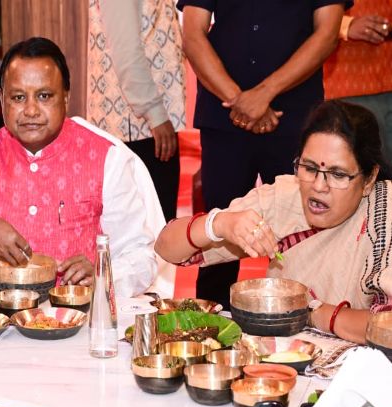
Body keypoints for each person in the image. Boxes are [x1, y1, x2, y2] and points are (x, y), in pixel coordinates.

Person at [0, 37, 162, 297]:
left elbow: (141, 258)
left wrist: (102, 275)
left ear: (65, 98)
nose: (30, 110)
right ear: (2, 100)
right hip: (2, 317)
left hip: (80, 317)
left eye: (44, 96)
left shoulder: (106, 159)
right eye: (18, 97)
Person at [155, 100, 389, 344]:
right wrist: (217, 224)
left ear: (369, 178)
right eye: (309, 168)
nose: (319, 186)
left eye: (338, 174)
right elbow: (166, 247)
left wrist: (311, 312)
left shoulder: (384, 214)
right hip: (286, 357)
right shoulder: (285, 198)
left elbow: (387, 327)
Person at [177, 0, 347, 308]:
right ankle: (211, 327)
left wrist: (263, 94)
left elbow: (327, 34)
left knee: (303, 233)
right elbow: (192, 34)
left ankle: (307, 321)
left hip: (295, 119)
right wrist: (239, 100)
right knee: (218, 232)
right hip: (224, 117)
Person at [87, 0, 186, 222]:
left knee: (158, 223)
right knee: (150, 227)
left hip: (149, 124)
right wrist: (155, 114)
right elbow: (126, 52)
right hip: (136, 128)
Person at [324, 0, 392, 162]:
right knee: (359, 166)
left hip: (387, 77)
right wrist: (345, 25)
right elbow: (296, 13)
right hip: (343, 86)